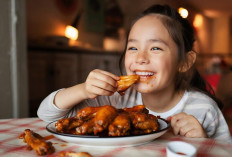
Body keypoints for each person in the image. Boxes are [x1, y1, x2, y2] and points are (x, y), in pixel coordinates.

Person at [37, 4, 231, 142]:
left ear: (184, 62)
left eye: (155, 48)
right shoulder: (114, 100)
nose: (140, 58)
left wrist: (202, 142)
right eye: (132, 48)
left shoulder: (203, 109)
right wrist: (83, 90)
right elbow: (46, 115)